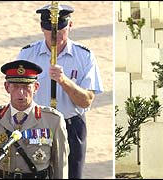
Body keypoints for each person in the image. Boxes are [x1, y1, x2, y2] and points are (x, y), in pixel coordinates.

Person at [17, 4, 103, 179]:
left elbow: (86, 101)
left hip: (70, 125)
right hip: (36, 124)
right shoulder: (27, 55)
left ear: (70, 25)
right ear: (42, 27)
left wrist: (64, 81)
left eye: (61, 28)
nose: (54, 34)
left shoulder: (84, 56)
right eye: (49, 29)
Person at [0, 60, 69, 179]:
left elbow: (60, 164)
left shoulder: (53, 120)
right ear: (7, 87)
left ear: (36, 87)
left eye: (26, 87)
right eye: (15, 86)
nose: (21, 93)